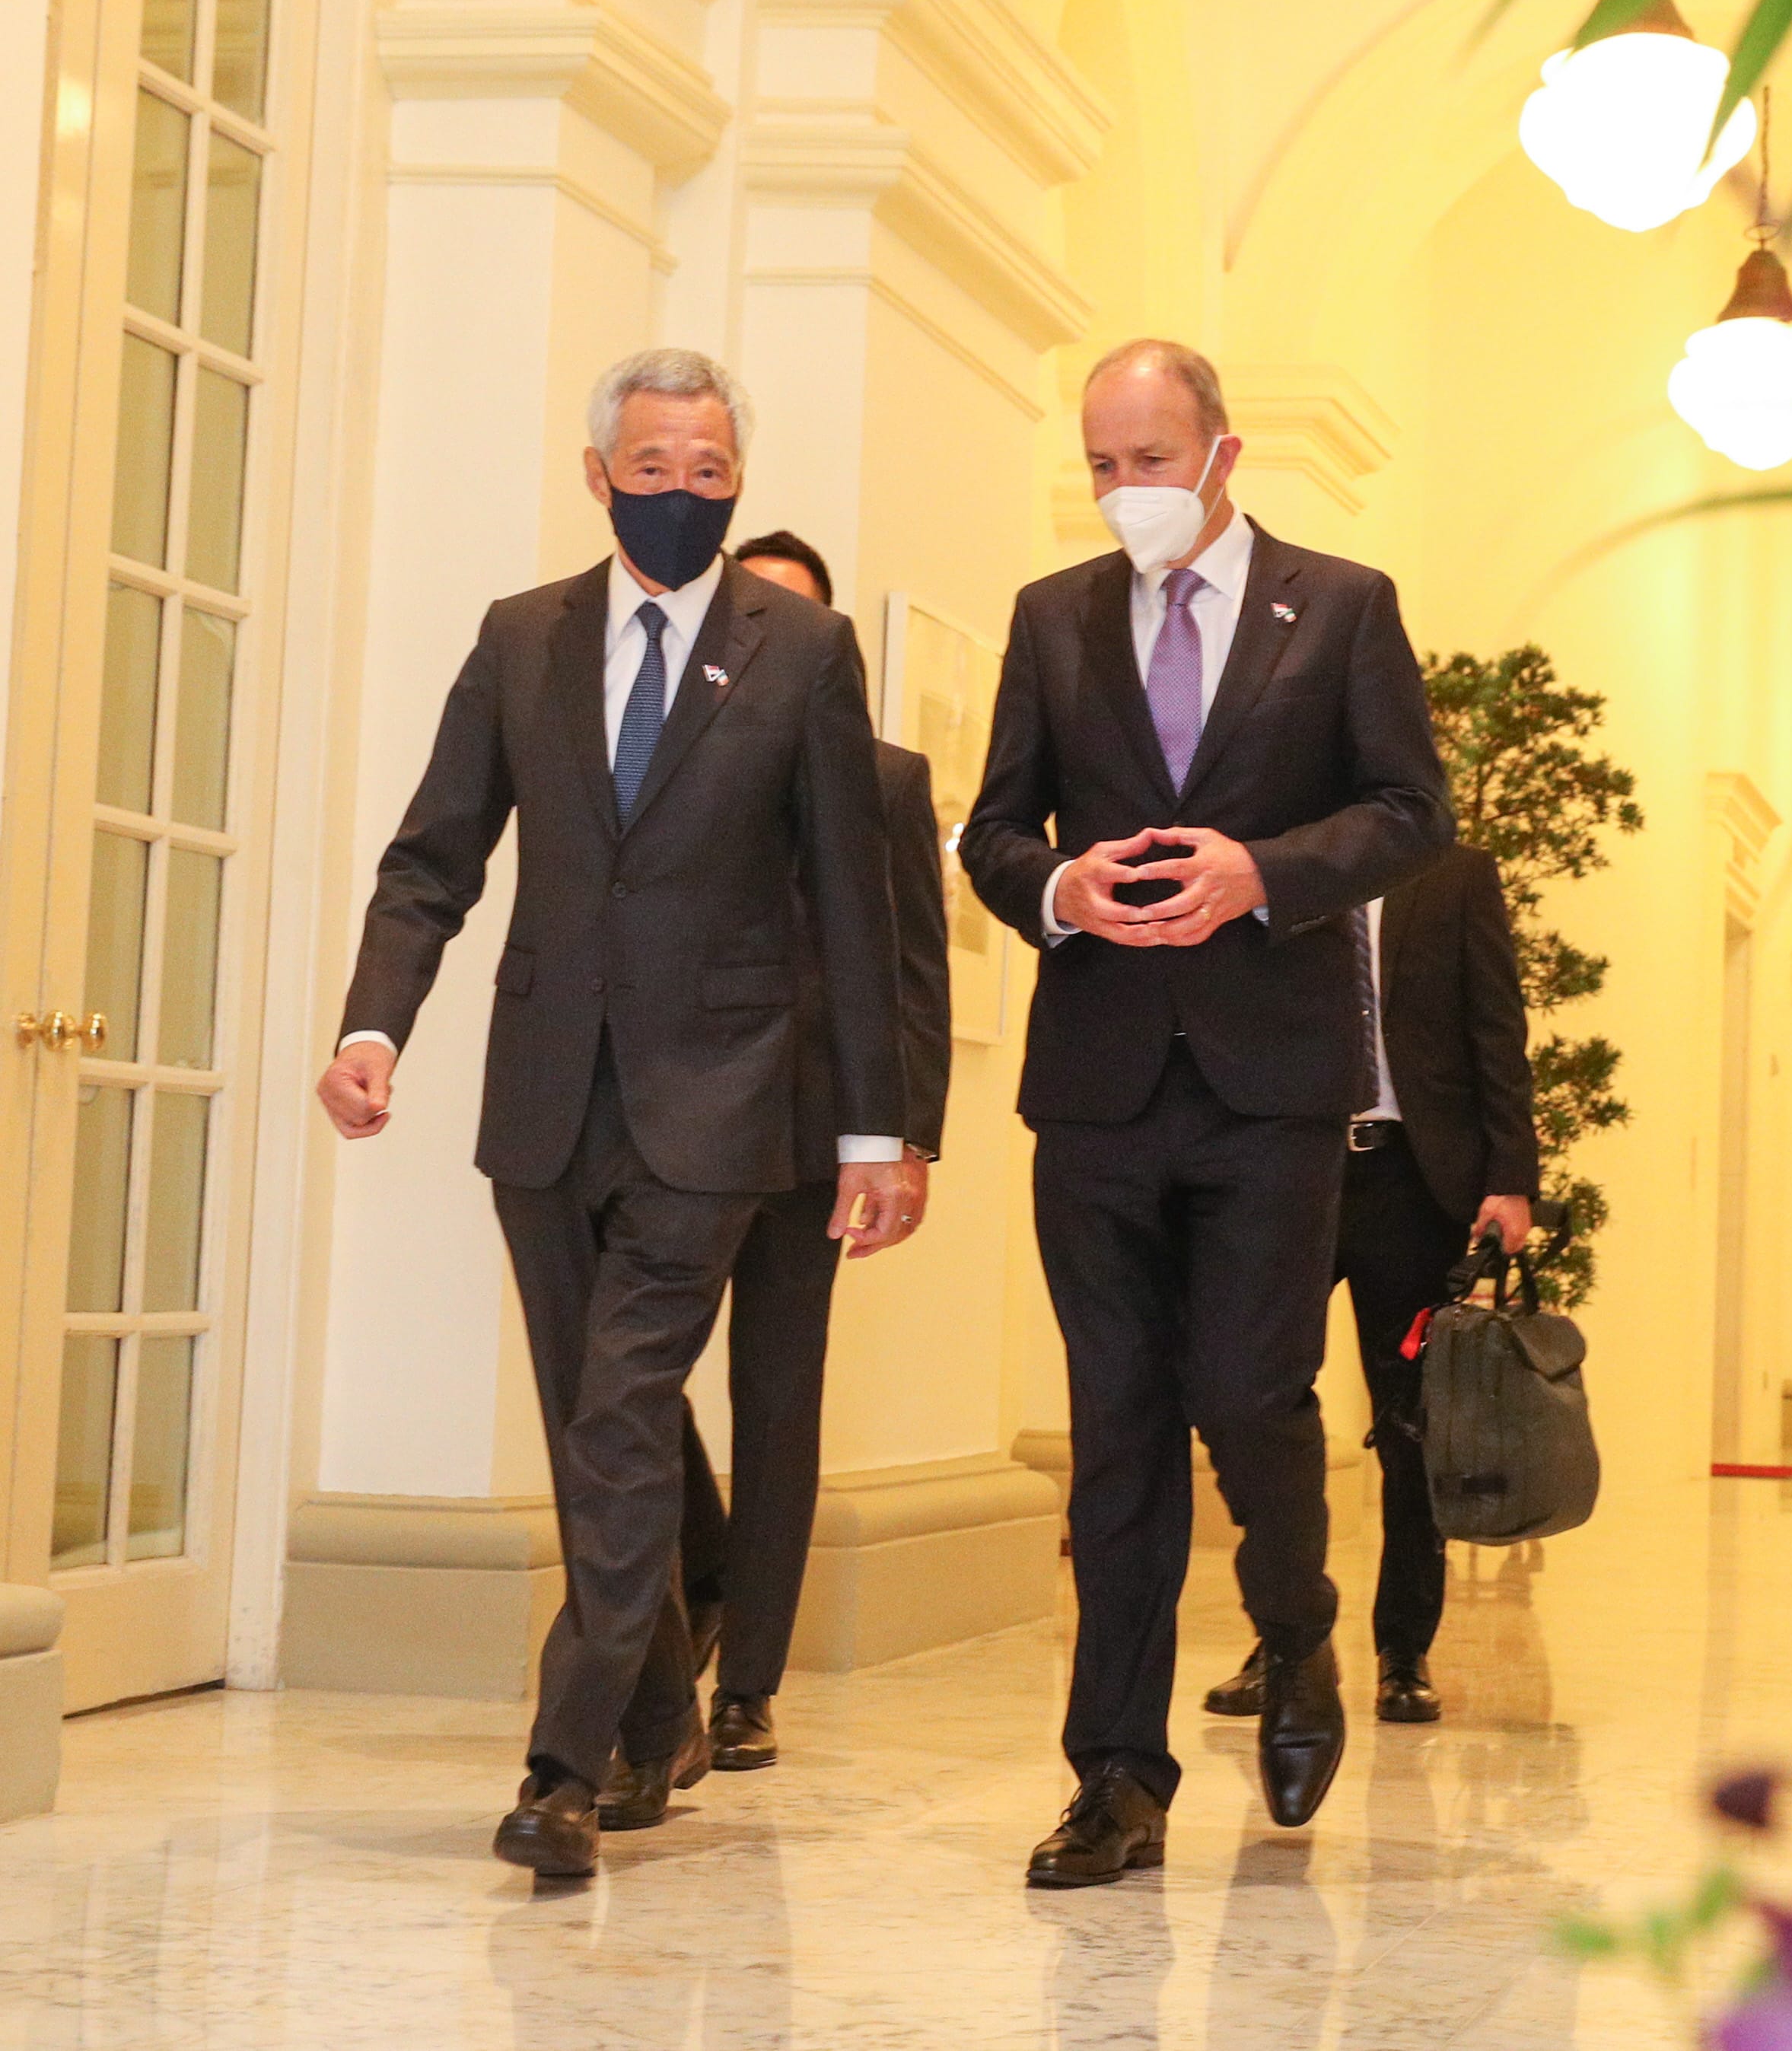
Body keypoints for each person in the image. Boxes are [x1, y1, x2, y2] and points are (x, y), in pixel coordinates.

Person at [317, 349, 923, 1878]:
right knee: (602, 1427)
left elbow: (857, 906)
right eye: (650, 471)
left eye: (707, 473)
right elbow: (432, 853)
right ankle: (660, 1714)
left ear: (738, 476)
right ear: (598, 476)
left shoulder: (803, 649)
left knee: (622, 1411)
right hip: (541, 1096)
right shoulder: (524, 637)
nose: (678, 496)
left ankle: (561, 1764)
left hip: (718, 1099)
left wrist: (874, 1123)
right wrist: (376, 1021)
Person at [958, 338, 1450, 1886]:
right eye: (1100, 463)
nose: (1124, 491)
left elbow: (1407, 810)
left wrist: (1265, 873)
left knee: (1250, 1392)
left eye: (1149, 460)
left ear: (1222, 453)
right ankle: (1116, 1773)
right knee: (1115, 1430)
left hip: (1268, 1083)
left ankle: (1298, 1641)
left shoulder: (1344, 604)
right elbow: (989, 827)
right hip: (1098, 1084)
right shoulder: (1051, 620)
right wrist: (1056, 885)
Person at [661, 530, 954, 1772]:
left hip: (814, 1144)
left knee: (778, 1400)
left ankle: (749, 1689)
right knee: (619, 1373)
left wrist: (907, 1139)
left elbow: (914, 976)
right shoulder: (664, 758)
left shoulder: (884, 781)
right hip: (678, 1126)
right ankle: (710, 1561)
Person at [1202, 840, 1539, 1729]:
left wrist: (1511, 1177)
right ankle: (1286, 1643)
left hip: (1410, 1183)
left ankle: (1404, 1652)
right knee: (1259, 1404)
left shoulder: (1455, 874)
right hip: (1286, 1172)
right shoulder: (1275, 863)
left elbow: (1496, 1026)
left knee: (1411, 1425)